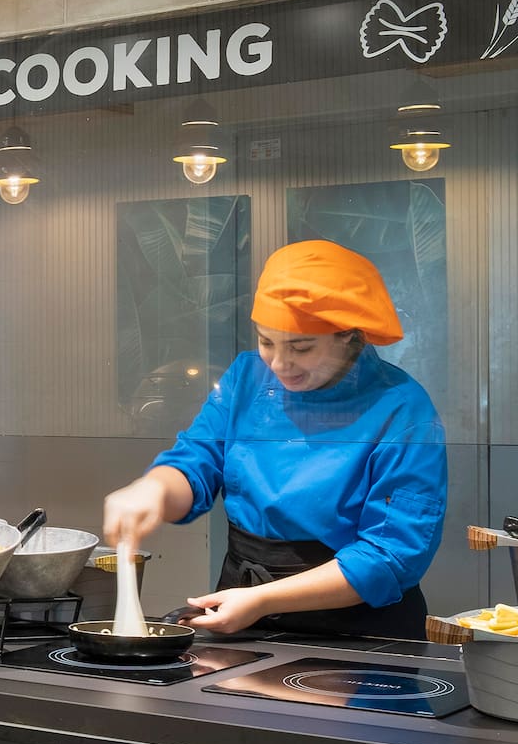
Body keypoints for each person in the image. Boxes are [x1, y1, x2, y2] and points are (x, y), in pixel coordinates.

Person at [102, 240, 448, 639]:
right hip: (241, 608)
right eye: (267, 342)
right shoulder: (247, 378)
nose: (280, 364)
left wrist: (264, 599)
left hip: (359, 627)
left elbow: (391, 555)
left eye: (301, 347)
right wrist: (154, 489)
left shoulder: (402, 408)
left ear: (350, 337)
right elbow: (197, 459)